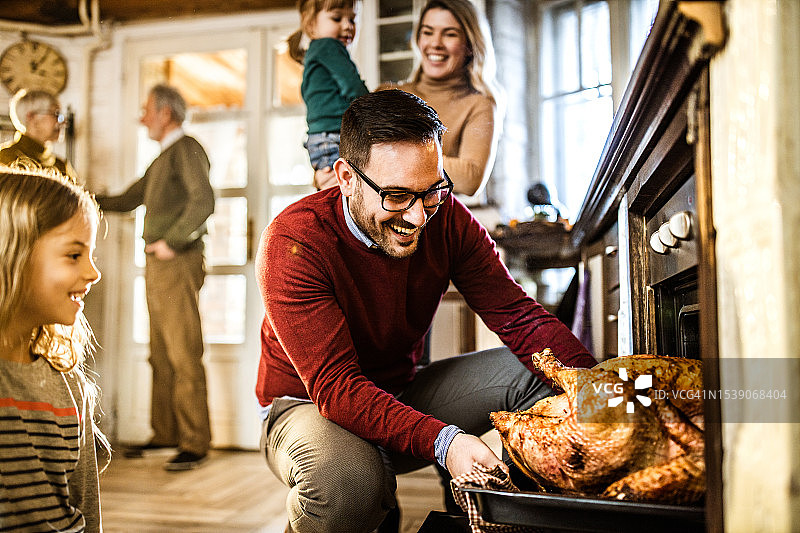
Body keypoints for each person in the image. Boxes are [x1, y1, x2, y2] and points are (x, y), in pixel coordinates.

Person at [255, 90, 596, 532]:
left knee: (545, 374)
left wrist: (597, 391)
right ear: (346, 177)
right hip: (306, 405)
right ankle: (368, 486)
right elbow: (338, 389)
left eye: (431, 191)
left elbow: (519, 316)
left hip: (399, 389)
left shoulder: (448, 218)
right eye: (396, 196)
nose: (418, 217)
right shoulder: (294, 243)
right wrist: (446, 444)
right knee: (350, 485)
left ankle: (492, 519)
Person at [95, 84, 215, 471]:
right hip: (159, 265)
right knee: (160, 354)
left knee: (183, 353)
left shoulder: (187, 148)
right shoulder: (164, 156)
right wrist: (81, 195)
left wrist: (173, 243)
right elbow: (131, 198)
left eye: (147, 109)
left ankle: (195, 443)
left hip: (176, 262)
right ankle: (165, 434)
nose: (141, 117)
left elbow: (204, 201)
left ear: (166, 113)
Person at [0, 166, 107, 532]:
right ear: (12, 255)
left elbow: (87, 510)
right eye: (74, 255)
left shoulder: (70, 386)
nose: (94, 273)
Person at [380, 0, 503, 198]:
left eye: (450, 34)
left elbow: (470, 179)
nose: (435, 43)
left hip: (436, 221)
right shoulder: (387, 94)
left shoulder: (479, 104)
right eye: (428, 32)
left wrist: (394, 153)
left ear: (470, 45)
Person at [288, 0, 369, 191]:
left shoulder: (313, 54)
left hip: (319, 141)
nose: (347, 25)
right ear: (311, 24)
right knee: (350, 196)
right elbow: (354, 88)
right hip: (335, 136)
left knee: (336, 197)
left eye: (352, 19)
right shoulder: (328, 46)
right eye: (337, 18)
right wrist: (375, 110)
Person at [0, 88, 78, 181]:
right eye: (56, 114)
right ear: (31, 117)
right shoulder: (5, 160)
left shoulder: (61, 166)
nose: (63, 121)